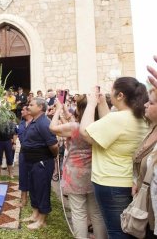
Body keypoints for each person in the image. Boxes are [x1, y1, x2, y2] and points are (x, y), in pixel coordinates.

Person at [79, 77, 149, 238]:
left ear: (120, 95)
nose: (108, 93)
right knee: (129, 227)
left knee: (117, 231)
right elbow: (109, 127)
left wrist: (91, 104)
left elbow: (86, 132)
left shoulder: (118, 119)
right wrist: (103, 103)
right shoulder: (138, 116)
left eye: (111, 90)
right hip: (130, 180)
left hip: (110, 182)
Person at [49, 96, 106, 239]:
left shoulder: (75, 127)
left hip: (75, 174)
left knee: (78, 212)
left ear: (80, 109)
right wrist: (66, 110)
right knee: (96, 212)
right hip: (95, 172)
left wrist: (58, 110)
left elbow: (52, 128)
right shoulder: (101, 126)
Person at [21, 97, 58, 230]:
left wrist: (52, 156)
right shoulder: (34, 121)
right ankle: (35, 214)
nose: (28, 106)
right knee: (34, 188)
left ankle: (42, 220)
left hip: (41, 161)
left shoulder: (44, 123)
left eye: (31, 105)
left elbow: (54, 145)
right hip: (31, 161)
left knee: (42, 189)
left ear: (40, 108)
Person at [133, 88, 157, 237]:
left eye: (152, 102)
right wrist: (136, 181)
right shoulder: (152, 128)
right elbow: (140, 161)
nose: (146, 105)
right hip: (145, 211)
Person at [17, 105, 32, 207]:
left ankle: (34, 198)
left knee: (33, 176)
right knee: (23, 175)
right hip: (23, 152)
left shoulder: (36, 122)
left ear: (28, 111)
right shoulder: (21, 123)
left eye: (23, 109)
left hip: (34, 153)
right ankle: (23, 198)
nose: (21, 111)